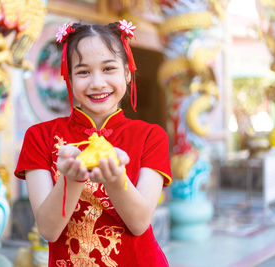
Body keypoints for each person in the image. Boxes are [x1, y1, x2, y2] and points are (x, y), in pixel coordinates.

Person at [14, 20, 172, 267]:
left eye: (109, 68)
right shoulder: (39, 136)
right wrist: (71, 179)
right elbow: (48, 230)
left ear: (127, 74)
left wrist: (115, 180)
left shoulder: (151, 136)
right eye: (83, 72)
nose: (97, 83)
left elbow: (140, 223)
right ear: (68, 78)